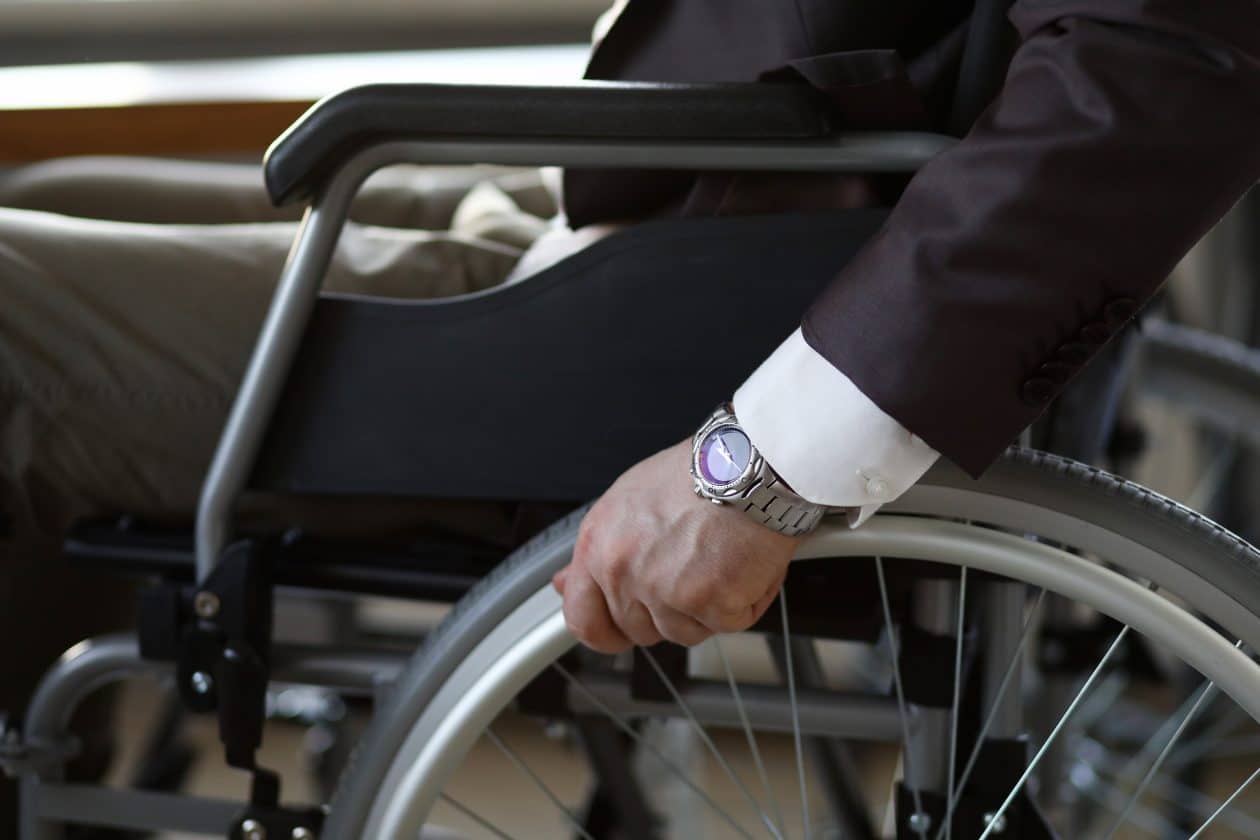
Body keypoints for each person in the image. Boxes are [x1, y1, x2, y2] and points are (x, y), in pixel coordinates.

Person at [0, 2, 1257, 665]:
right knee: (59, 204)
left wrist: (759, 467)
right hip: (653, 215)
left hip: (684, 308)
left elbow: (1145, 73)